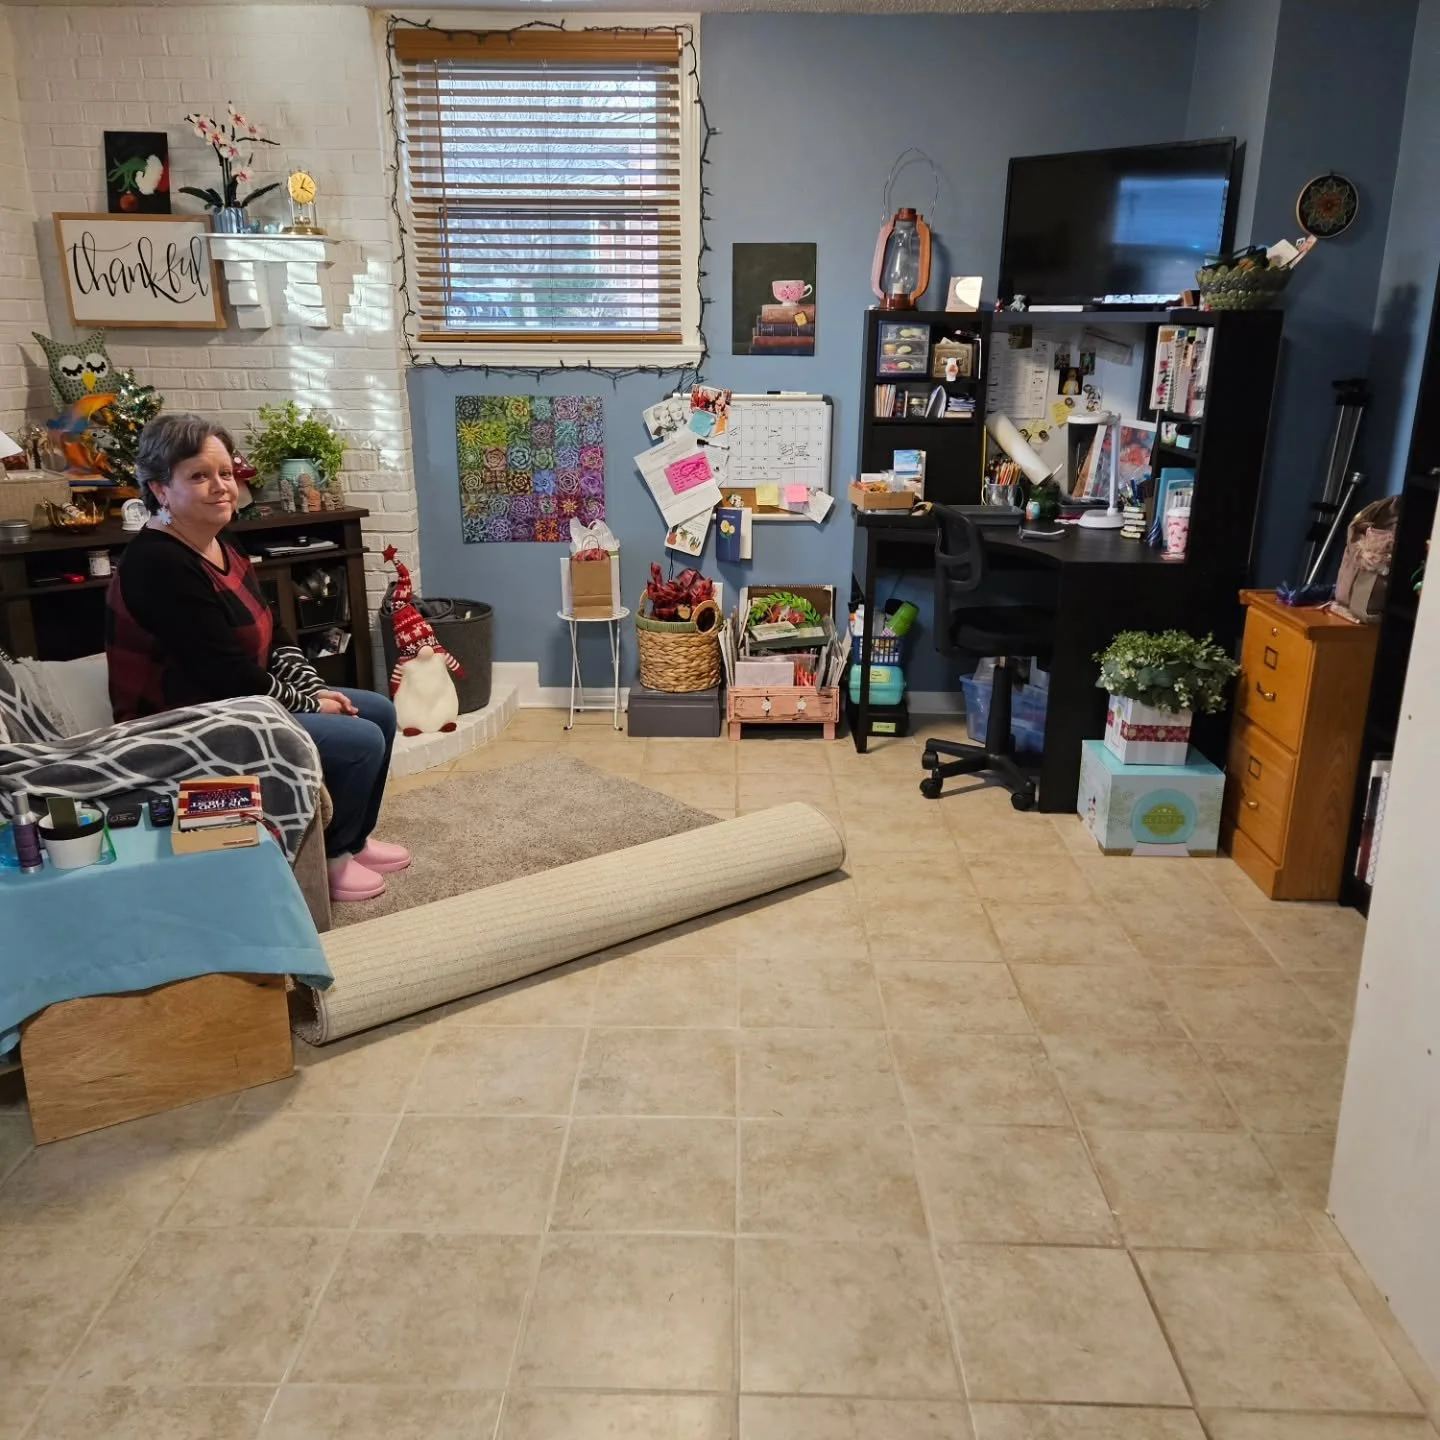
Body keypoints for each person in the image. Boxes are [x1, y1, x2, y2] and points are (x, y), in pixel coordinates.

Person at [105, 412, 407, 903]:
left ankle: (350, 839)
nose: (221, 487)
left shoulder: (221, 542)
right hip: (187, 721)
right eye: (199, 476)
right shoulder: (157, 564)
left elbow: (277, 633)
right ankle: (331, 862)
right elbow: (227, 676)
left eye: (225, 473)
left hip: (240, 697)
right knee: (358, 739)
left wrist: (312, 689)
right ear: (160, 489)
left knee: (379, 709)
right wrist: (311, 706)